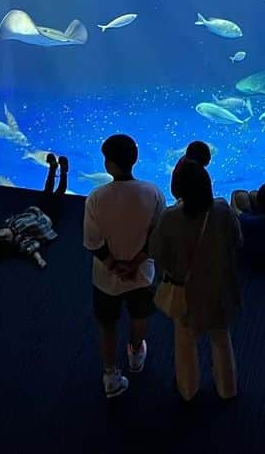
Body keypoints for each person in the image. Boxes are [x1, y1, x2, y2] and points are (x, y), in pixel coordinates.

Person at [82, 134, 164, 399]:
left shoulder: (96, 197)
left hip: (106, 277)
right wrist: (135, 264)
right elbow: (158, 235)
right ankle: (136, 353)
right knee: (139, 316)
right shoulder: (153, 193)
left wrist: (114, 266)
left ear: (109, 164)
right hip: (141, 275)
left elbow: (93, 242)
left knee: (107, 324)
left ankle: (110, 374)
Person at [152, 161, 242, 401]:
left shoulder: (169, 217)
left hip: (186, 293)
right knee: (221, 340)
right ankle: (227, 389)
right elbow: (237, 241)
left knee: (185, 342)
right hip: (219, 290)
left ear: (177, 189)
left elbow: (158, 254)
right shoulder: (223, 210)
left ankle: (188, 390)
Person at [39, 152, 69, 220]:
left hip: (41, 216)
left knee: (48, 191)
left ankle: (54, 169)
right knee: (57, 193)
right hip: (50, 219)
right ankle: (62, 171)